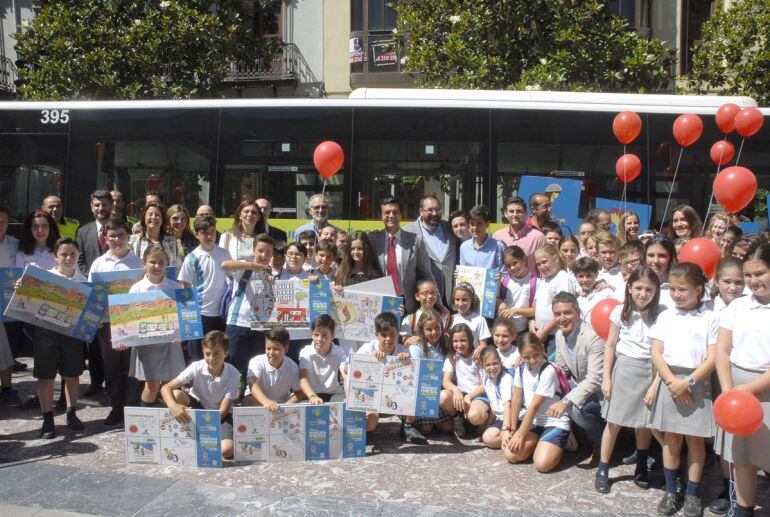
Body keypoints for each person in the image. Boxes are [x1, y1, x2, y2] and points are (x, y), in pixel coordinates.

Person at [648, 263, 716, 516]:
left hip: (696, 382)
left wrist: (686, 383)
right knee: (672, 439)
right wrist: (671, 382)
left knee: (694, 440)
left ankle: (692, 493)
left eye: (683, 289)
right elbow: (656, 352)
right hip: (669, 379)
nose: (676, 294)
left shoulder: (710, 317)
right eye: (673, 289)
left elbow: (712, 357)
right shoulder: (666, 316)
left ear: (698, 289)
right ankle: (671, 489)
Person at [713, 245, 770, 517]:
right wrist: (728, 392)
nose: (753, 280)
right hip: (735, 388)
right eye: (748, 274)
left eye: (760, 272)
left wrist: (747, 390)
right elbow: (722, 349)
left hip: (765, 390)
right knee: (741, 457)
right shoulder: (738, 305)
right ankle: (744, 509)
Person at [595, 266, 662, 494]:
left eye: (648, 289)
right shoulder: (620, 311)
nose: (643, 293)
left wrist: (655, 384)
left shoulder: (660, 314)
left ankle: (642, 465)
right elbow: (611, 345)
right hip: (624, 369)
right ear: (629, 288)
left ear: (656, 291)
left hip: (649, 370)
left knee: (643, 422)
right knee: (614, 421)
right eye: (638, 288)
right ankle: (603, 468)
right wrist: (606, 377)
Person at [87, 218, 143, 426]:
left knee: (132, 366)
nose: (117, 240)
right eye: (112, 236)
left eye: (121, 235)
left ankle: (133, 406)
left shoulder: (138, 262)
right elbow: (91, 294)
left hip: (133, 322)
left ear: (128, 237)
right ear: (105, 238)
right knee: (111, 366)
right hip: (108, 323)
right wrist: (96, 319)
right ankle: (116, 406)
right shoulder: (99, 263)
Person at [34, 237, 87, 438]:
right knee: (46, 376)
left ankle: (71, 413)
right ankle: (47, 419)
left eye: (72, 254)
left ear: (78, 256)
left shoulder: (84, 282)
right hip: (45, 333)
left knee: (72, 374)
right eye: (64, 254)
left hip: (72, 334)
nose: (68, 258)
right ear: (55, 256)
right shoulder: (43, 278)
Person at [160, 330, 240, 459]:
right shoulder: (196, 366)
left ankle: (201, 439)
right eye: (207, 354)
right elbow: (166, 387)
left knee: (227, 450)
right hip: (198, 406)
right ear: (203, 352)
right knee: (175, 394)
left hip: (220, 414)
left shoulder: (233, 374)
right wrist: (173, 406)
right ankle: (185, 434)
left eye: (216, 354)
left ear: (226, 353)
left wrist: (205, 427)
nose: (211, 358)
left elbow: (224, 410)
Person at [125, 245, 186, 406]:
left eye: (161, 262)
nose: (157, 266)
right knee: (151, 385)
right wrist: (124, 338)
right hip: (147, 343)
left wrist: (181, 333)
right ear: (144, 263)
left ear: (166, 263)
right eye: (152, 262)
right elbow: (129, 319)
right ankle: (147, 419)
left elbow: (183, 315)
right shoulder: (136, 288)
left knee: (171, 384)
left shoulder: (174, 287)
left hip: (171, 342)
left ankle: (170, 420)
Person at [503, 332, 572, 472]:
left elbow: (534, 406)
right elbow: (516, 398)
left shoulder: (548, 370)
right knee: (511, 455)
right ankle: (541, 443)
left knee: (542, 465)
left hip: (553, 421)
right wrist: (511, 429)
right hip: (534, 422)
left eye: (536, 355)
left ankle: (565, 440)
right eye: (526, 357)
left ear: (542, 348)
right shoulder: (520, 368)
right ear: (520, 355)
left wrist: (521, 435)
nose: (533, 360)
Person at [549, 292, 605, 458]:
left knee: (576, 410)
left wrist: (566, 400)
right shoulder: (560, 334)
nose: (562, 318)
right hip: (578, 383)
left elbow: (595, 379)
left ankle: (602, 441)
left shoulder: (592, 336)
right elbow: (562, 367)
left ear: (578, 313)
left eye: (567, 313)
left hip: (599, 392)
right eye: (557, 314)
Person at [343, 312, 410, 434]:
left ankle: (408, 427)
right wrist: (369, 362)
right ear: (376, 335)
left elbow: (411, 376)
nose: (388, 339)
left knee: (412, 401)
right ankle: (356, 434)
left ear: (398, 333)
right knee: (371, 422)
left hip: (391, 399)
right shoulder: (367, 349)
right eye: (384, 335)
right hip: (370, 398)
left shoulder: (403, 351)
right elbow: (347, 369)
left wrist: (407, 360)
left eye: (392, 334)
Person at [177, 215, 230, 361]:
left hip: (220, 314)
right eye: (204, 233)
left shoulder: (224, 253)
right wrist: (187, 319)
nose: (209, 236)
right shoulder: (191, 258)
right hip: (200, 313)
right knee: (197, 355)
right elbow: (185, 288)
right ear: (196, 234)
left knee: (219, 353)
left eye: (212, 232)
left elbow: (234, 276)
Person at [369, 197, 435, 313]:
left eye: (395, 212)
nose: (391, 216)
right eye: (387, 212)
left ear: (401, 214)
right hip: (380, 301)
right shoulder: (373, 240)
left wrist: (438, 305)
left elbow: (426, 274)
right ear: (381, 215)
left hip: (408, 303)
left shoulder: (415, 241)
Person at [221, 233, 275, 373]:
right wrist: (251, 265)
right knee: (234, 365)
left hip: (260, 326)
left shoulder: (271, 272)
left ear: (272, 254)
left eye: (268, 252)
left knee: (255, 367)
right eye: (260, 251)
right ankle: (235, 393)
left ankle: (251, 394)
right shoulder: (244, 266)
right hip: (237, 322)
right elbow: (224, 265)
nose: (263, 255)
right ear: (253, 250)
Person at [405, 310, 453, 437]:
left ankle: (440, 420)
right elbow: (414, 374)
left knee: (448, 427)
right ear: (422, 331)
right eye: (429, 329)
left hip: (440, 389)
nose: (434, 332)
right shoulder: (416, 347)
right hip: (423, 393)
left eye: (437, 328)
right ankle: (410, 421)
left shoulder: (446, 343)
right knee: (427, 430)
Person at [404, 195, 457, 306]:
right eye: (430, 210)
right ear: (421, 212)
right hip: (424, 301)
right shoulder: (408, 232)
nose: (434, 213)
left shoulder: (450, 227)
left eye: (437, 209)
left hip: (450, 298)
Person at [465, 346, 514, 450]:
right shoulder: (487, 379)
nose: (492, 368)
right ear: (482, 366)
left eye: (495, 363)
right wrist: (489, 424)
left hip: (512, 418)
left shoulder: (506, 378)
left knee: (489, 439)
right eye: (487, 365)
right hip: (500, 418)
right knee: (488, 436)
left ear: (500, 362)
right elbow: (493, 404)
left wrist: (506, 428)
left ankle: (515, 435)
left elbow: (508, 405)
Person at [440, 323, 484, 438]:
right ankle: (457, 419)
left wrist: (469, 396)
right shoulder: (452, 357)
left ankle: (480, 424)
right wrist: (455, 389)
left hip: (477, 395)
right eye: (455, 341)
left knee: (475, 416)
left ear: (470, 339)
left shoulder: (478, 357)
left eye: (463, 340)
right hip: (461, 395)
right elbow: (446, 381)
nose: (459, 345)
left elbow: (484, 385)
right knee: (443, 396)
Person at [531, 244, 575, 347]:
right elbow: (535, 306)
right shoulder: (543, 280)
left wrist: (545, 332)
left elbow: (563, 311)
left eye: (544, 262)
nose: (542, 267)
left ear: (555, 259)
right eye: (538, 264)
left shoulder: (562, 279)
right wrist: (532, 322)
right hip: (541, 335)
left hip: (556, 336)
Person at [244, 327, 300, 410]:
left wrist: (286, 406)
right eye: (268, 348)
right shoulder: (256, 361)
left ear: (286, 349)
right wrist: (266, 402)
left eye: (276, 349)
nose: (271, 353)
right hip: (257, 402)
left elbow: (299, 392)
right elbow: (252, 383)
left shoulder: (292, 366)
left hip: (281, 405)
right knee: (248, 400)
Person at [296, 315, 346, 404]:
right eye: (316, 335)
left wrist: (350, 395)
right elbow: (303, 379)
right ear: (312, 335)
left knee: (345, 406)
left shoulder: (339, 351)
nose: (320, 339)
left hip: (334, 394)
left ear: (333, 336)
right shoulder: (305, 351)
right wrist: (312, 396)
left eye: (324, 335)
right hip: (312, 394)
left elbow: (345, 372)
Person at [493, 196, 546, 275]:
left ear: (525, 213)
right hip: (504, 285)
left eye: (518, 211)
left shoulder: (538, 237)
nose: (515, 215)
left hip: (531, 286)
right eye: (511, 211)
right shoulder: (497, 236)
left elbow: (544, 267)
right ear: (505, 214)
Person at [497, 245, 535, 335]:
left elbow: (535, 310)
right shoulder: (503, 280)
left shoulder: (536, 282)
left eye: (515, 263)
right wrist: (500, 304)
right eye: (508, 266)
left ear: (524, 259)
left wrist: (515, 311)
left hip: (522, 331)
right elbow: (495, 299)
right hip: (502, 330)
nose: (512, 268)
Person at [129, 202, 180, 267]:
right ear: (144, 217)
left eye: (157, 215)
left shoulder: (171, 240)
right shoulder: (134, 240)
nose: (154, 217)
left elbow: (176, 265)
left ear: (162, 219)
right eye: (150, 214)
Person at [459, 205, 506, 269]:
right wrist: (459, 274)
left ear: (487, 224)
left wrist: (500, 277)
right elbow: (463, 269)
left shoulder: (498, 247)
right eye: (472, 224)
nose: (475, 228)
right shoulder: (464, 247)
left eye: (479, 223)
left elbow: (504, 272)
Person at [450, 283, 490, 352]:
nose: (460, 303)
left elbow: (483, 344)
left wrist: (480, 349)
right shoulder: (451, 319)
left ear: (471, 300)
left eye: (464, 300)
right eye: (457, 299)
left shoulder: (480, 320)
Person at [573, 257, 614, 322]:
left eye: (589, 276)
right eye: (580, 276)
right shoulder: (578, 300)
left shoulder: (606, 293)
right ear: (575, 277)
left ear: (596, 275)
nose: (585, 280)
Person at [645, 235, 677, 309]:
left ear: (671, 258)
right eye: (651, 255)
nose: (655, 261)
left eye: (661, 256)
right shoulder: (635, 284)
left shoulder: (681, 286)